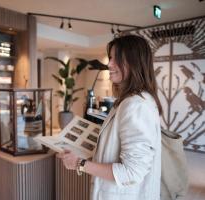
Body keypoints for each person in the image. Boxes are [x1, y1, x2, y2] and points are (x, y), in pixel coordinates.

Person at [58, 34, 163, 200]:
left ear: (134, 63)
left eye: (116, 59)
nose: (109, 64)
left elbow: (132, 172)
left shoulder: (136, 106)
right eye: (111, 58)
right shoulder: (131, 100)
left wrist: (80, 164)